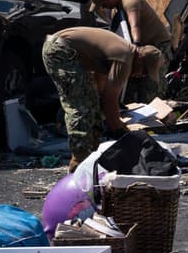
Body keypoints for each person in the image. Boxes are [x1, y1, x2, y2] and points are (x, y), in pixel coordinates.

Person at [40, 26, 163, 170]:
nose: (141, 76)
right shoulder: (124, 58)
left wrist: (104, 113)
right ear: (140, 60)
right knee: (81, 107)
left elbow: (101, 87)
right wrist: (119, 130)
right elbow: (110, 101)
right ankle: (79, 162)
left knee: (91, 103)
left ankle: (92, 153)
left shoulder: (120, 52)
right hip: (61, 50)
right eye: (144, 71)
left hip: (66, 50)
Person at [89, 0, 173, 102]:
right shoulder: (115, 10)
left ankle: (160, 111)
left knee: (153, 83)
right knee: (136, 84)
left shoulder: (130, 1)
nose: (103, 7)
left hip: (158, 44)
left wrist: (137, 50)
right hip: (142, 45)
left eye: (104, 4)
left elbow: (135, 25)